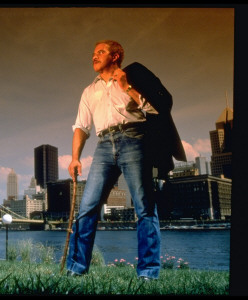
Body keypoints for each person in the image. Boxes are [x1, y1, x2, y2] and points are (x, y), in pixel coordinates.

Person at [66, 40, 186, 280]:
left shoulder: (133, 77)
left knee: (144, 208)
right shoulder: (89, 91)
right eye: (93, 53)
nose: (94, 56)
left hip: (135, 138)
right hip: (103, 146)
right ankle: (76, 269)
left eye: (100, 52)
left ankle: (148, 272)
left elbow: (157, 109)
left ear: (115, 56)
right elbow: (81, 126)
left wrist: (128, 87)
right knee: (87, 208)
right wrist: (75, 158)